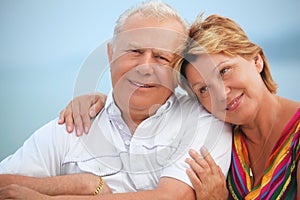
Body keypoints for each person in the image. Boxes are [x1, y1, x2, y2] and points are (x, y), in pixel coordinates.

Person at [0, 2, 232, 199]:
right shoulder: (74, 124)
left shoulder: (202, 120)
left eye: (161, 57)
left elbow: (171, 197)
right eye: (134, 52)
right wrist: (82, 184)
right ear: (111, 55)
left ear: (177, 71)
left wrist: (77, 190)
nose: (144, 67)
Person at [58, 14, 300, 199]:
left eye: (225, 71)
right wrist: (105, 101)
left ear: (256, 59)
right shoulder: (224, 134)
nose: (221, 93)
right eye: (203, 89)